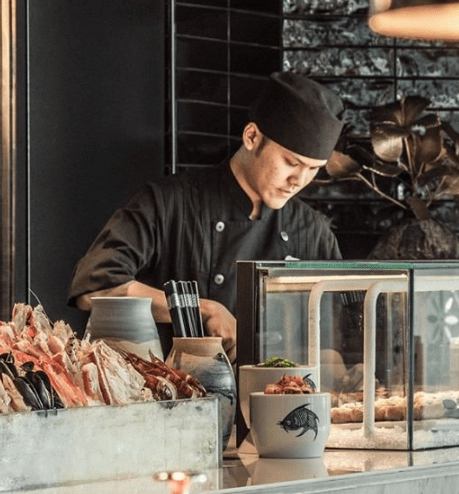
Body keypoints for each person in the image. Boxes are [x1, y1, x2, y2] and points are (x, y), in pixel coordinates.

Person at [68, 72, 346, 360]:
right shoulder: (168, 202)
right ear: (252, 137)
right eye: (291, 163)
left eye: (314, 169)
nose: (299, 181)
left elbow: (336, 341)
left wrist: (344, 369)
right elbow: (93, 289)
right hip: (171, 386)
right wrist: (203, 309)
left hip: (281, 390)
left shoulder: (312, 230)